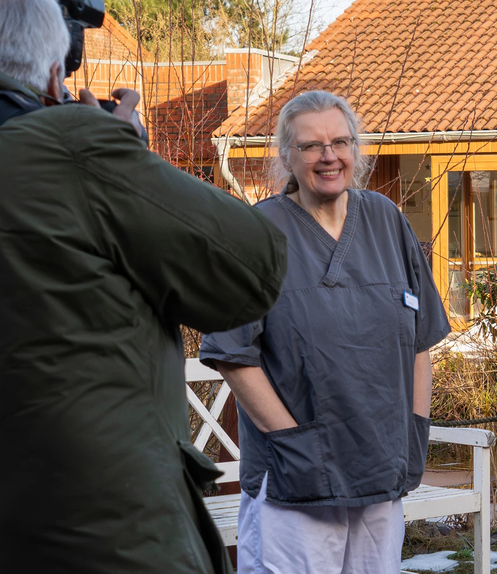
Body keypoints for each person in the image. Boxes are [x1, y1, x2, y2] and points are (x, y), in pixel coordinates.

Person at [0, 1, 288, 573]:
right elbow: (253, 268)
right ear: (56, 76)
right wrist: (121, 152)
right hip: (104, 540)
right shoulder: (71, 148)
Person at [199, 90, 451, 574]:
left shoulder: (386, 220)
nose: (328, 156)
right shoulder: (256, 235)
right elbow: (233, 354)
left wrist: (415, 431)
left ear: (356, 149)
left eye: (340, 141)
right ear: (287, 156)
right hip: (294, 479)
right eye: (311, 146)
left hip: (379, 469)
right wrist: (294, 443)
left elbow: (419, 340)